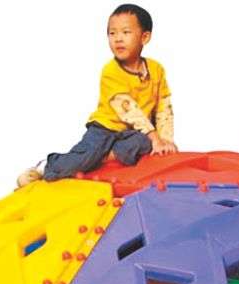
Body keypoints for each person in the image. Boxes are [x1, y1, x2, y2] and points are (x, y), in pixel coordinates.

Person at [17, 4, 176, 186]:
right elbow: (128, 109)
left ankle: (102, 159)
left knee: (144, 144)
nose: (118, 39)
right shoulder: (111, 71)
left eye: (125, 32)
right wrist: (155, 137)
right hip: (104, 129)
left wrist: (165, 140)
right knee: (85, 158)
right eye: (112, 33)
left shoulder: (156, 69)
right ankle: (46, 166)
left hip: (131, 133)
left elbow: (164, 105)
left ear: (145, 37)